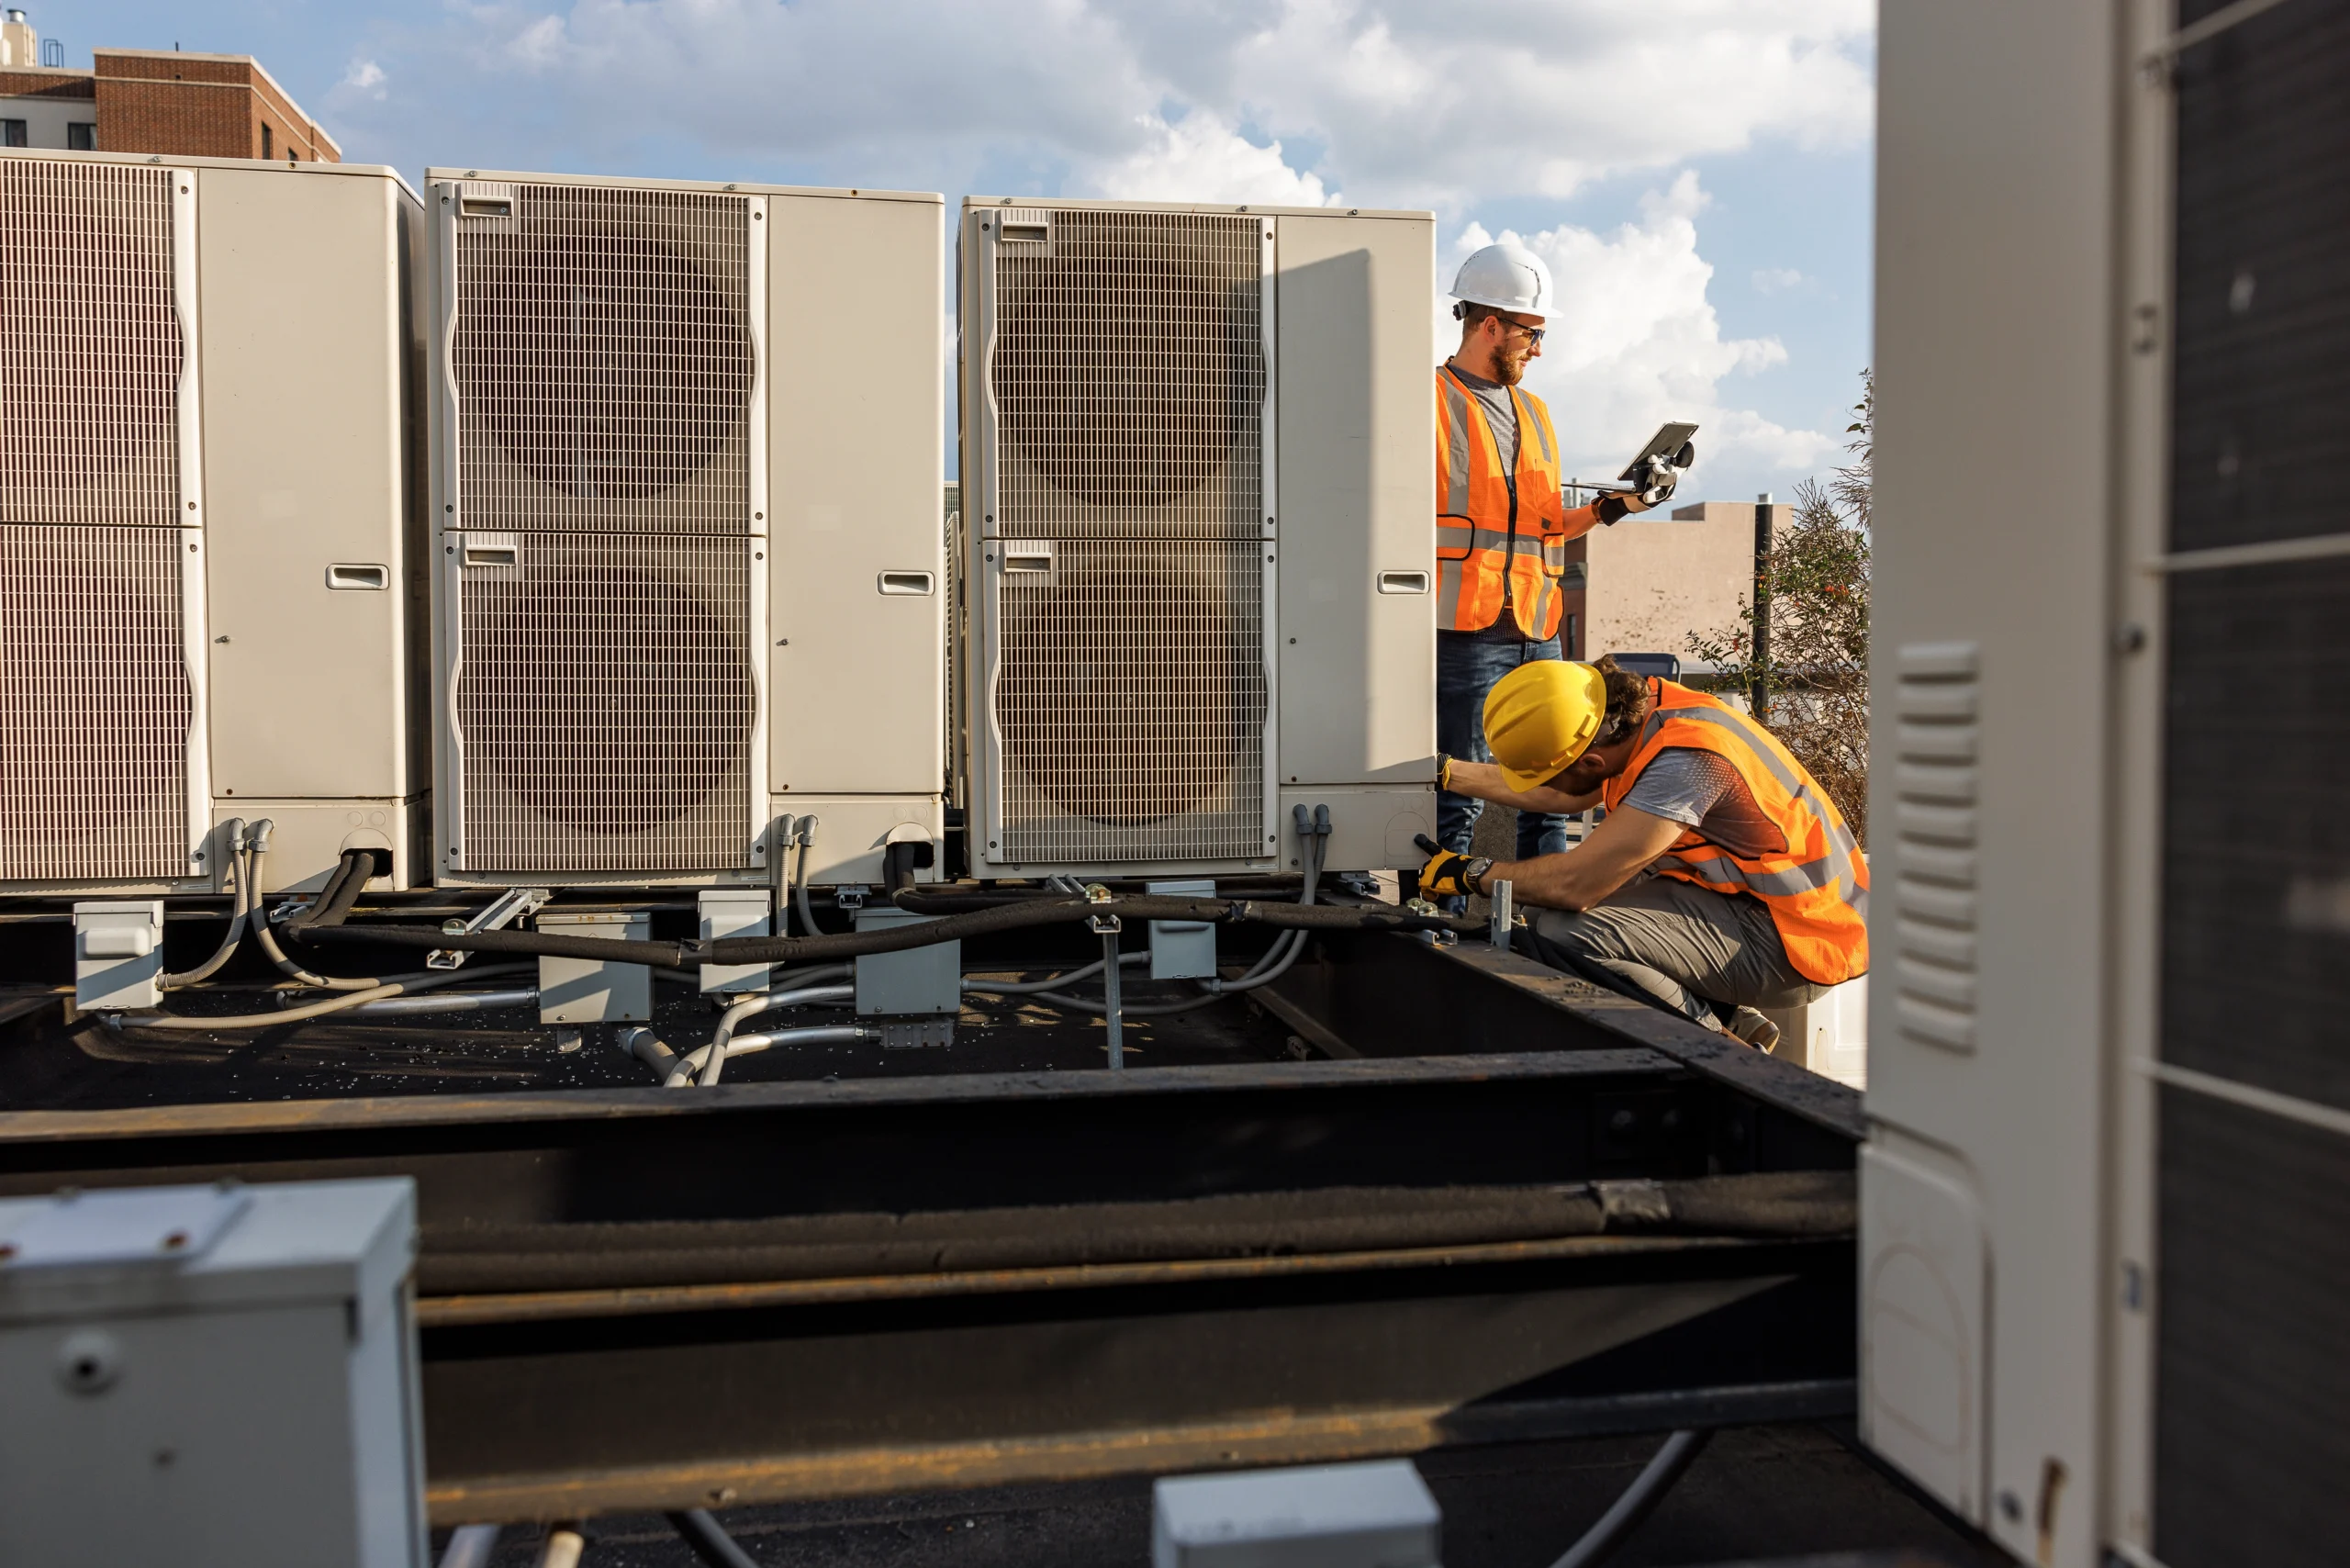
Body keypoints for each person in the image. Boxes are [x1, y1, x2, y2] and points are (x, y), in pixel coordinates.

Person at [1416, 656, 1868, 1050]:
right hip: (1756, 907)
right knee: (1538, 919)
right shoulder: (1632, 717)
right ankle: (1733, 1022)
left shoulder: (1685, 761)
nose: (1544, 785)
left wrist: (1473, 872)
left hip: (1800, 941)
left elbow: (1576, 886)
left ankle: (1726, 1055)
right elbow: (1568, 795)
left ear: (1592, 762)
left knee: (1563, 933)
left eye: (1548, 774)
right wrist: (1446, 773)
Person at [1433, 241, 1673, 903]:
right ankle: (1435, 926)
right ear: (1491, 326)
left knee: (1557, 785)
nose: (1538, 349)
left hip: (1537, 626)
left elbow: (1544, 523)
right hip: (1461, 625)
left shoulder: (1535, 414)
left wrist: (1615, 506)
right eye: (1532, 334)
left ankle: (1534, 928)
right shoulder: (1426, 402)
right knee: (1460, 786)